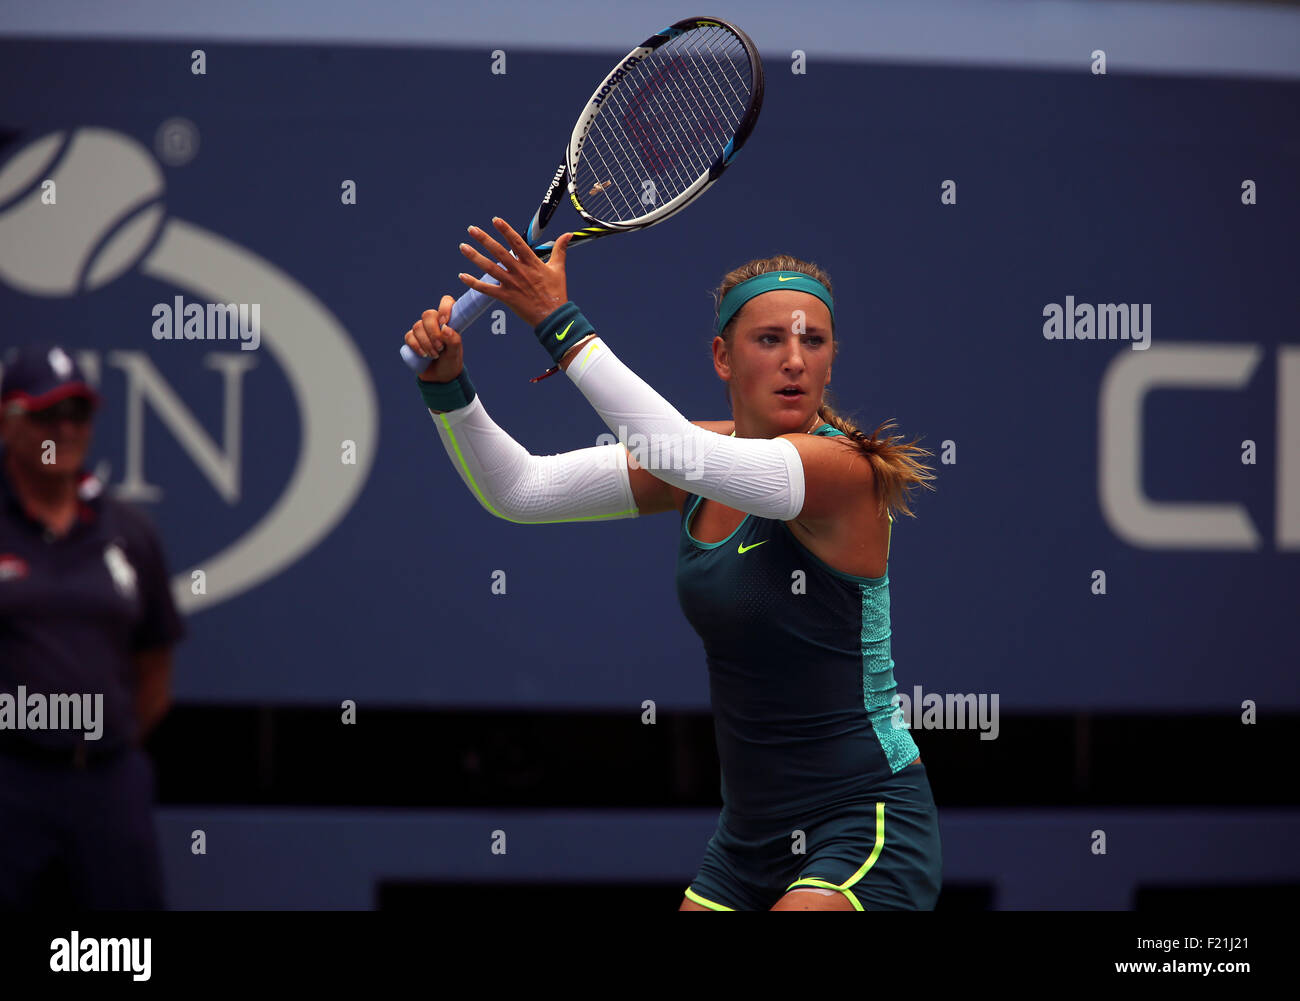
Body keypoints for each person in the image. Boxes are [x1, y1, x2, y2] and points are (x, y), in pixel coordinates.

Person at [404, 218, 940, 910]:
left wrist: (559, 322)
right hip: (748, 840)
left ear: (832, 359)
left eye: (814, 341)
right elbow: (522, 491)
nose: (795, 359)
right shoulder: (694, 459)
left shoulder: (840, 470)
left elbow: (679, 456)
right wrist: (450, 388)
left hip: (864, 823)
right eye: (770, 339)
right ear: (723, 357)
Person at [0, 344, 184, 909]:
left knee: (121, 955)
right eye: (46, 414)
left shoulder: (128, 530)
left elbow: (155, 661)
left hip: (107, 777)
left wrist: (106, 739)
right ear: (8, 421)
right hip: (10, 777)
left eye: (77, 414)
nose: (65, 428)